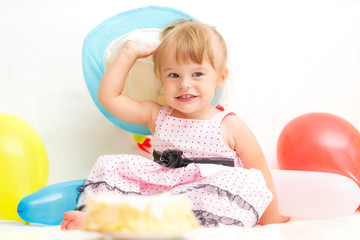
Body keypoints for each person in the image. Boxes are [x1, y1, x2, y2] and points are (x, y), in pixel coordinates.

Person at [61, 20, 289, 230]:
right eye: (173, 75)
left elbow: (261, 174)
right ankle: (103, 219)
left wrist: (271, 221)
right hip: (159, 196)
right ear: (161, 79)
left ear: (220, 77)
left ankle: (188, 229)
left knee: (241, 181)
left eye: (197, 74)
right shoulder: (157, 115)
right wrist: (129, 53)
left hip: (202, 204)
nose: (185, 84)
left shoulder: (230, 125)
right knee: (112, 166)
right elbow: (109, 98)